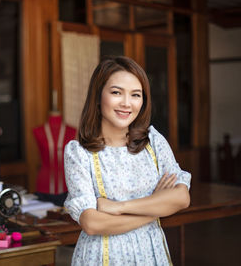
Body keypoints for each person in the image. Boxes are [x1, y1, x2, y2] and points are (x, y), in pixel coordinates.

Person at [64, 56, 191, 265]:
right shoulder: (79, 152)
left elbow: (181, 198)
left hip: (151, 253)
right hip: (102, 256)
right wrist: (156, 208)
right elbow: (92, 223)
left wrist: (118, 207)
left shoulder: (153, 141)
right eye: (116, 92)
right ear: (97, 96)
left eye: (135, 95)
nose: (126, 103)